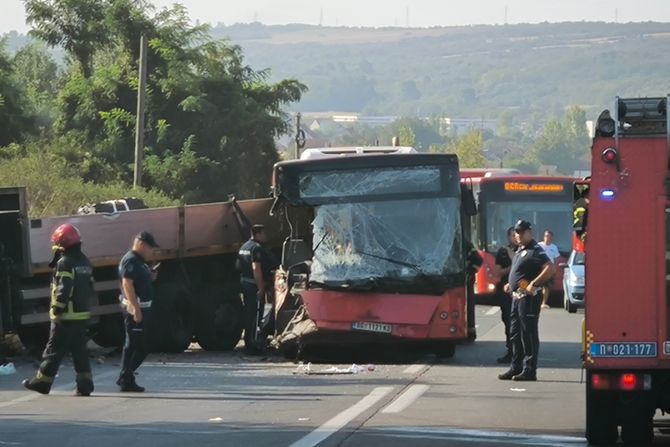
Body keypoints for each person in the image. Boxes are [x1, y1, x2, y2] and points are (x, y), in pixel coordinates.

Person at [23, 224, 95, 396]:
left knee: (53, 350)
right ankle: (85, 385)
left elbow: (64, 288)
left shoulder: (65, 262)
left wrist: (57, 310)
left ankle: (42, 382)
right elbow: (89, 287)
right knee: (80, 351)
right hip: (81, 314)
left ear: (61, 243)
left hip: (66, 316)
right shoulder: (84, 261)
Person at [498, 219, 555, 382]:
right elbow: (520, 271)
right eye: (517, 232)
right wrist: (511, 283)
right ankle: (516, 366)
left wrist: (534, 283)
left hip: (528, 299)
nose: (519, 235)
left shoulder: (536, 250)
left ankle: (530, 370)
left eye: (522, 232)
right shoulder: (519, 250)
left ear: (530, 233)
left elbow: (550, 268)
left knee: (528, 334)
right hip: (516, 298)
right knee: (515, 334)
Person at [116, 231, 159, 392]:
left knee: (145, 344)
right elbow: (127, 284)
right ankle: (125, 377)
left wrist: (151, 276)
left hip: (144, 308)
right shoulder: (130, 260)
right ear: (141, 244)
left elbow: (140, 281)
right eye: (150, 248)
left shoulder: (140, 261)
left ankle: (126, 375)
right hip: (135, 309)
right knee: (134, 344)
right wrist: (135, 308)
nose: (151, 251)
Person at [237, 224, 274, 355]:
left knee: (248, 313)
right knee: (255, 315)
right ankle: (252, 344)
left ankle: (248, 341)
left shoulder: (244, 247)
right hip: (253, 285)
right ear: (257, 234)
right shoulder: (256, 249)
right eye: (264, 233)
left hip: (244, 282)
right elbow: (256, 269)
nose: (266, 236)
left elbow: (238, 265)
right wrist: (261, 288)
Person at [494, 227, 517, 364]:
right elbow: (498, 272)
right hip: (506, 293)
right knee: (508, 322)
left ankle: (523, 352)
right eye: (513, 235)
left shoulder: (526, 250)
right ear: (508, 237)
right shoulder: (503, 252)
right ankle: (511, 350)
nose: (515, 237)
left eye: (517, 235)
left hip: (522, 292)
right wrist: (512, 267)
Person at [465, 240, 483, 341]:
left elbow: (478, 260)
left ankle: (470, 333)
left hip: (466, 281)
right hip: (454, 278)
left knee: (469, 306)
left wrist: (471, 272)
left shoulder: (465, 242)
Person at [538, 230, 560, 309]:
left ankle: (543, 303)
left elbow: (556, 259)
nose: (548, 238)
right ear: (544, 237)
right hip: (539, 269)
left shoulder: (554, 247)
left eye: (549, 237)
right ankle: (536, 302)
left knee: (546, 287)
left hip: (549, 270)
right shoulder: (539, 246)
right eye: (546, 236)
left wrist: (554, 269)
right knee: (537, 286)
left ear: (552, 238)